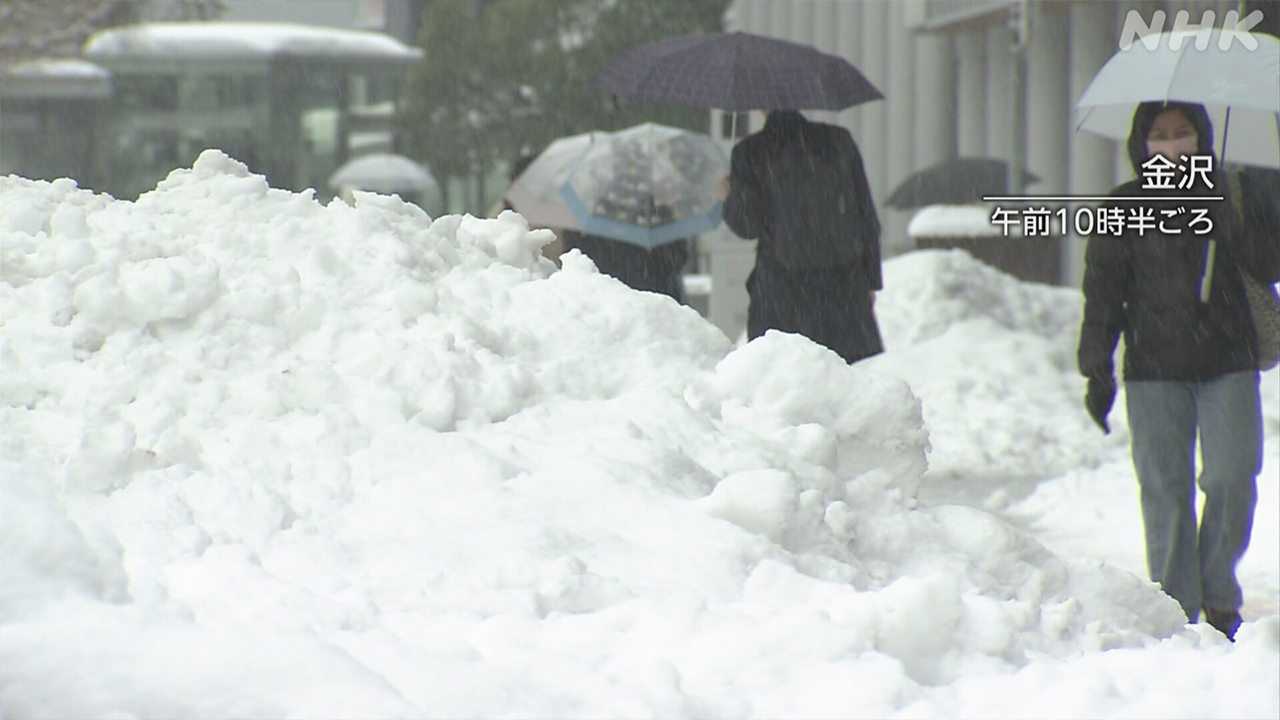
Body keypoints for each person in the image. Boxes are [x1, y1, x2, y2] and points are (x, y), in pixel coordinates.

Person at [1077, 100, 1280, 641]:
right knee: (1164, 487)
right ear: (1141, 144)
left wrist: (1244, 204)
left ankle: (1218, 593)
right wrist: (1096, 366)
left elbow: (1270, 261)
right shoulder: (1122, 206)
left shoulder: (1231, 193)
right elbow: (1102, 295)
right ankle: (1174, 603)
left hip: (1227, 360)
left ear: (1202, 137)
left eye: (1182, 133)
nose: (1171, 145)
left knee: (1233, 477)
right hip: (1153, 367)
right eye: (1159, 135)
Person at [719, 109, 883, 364]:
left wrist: (731, 197)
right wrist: (870, 280)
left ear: (762, 106)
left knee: (783, 380)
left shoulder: (750, 151)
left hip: (782, 290)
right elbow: (865, 215)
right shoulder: (838, 141)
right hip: (844, 288)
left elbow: (747, 226)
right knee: (850, 386)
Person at [562, 197, 690, 303]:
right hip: (655, 301)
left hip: (609, 300)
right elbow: (676, 259)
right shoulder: (656, 216)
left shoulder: (592, 218)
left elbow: (576, 259)